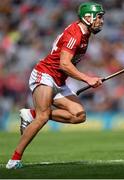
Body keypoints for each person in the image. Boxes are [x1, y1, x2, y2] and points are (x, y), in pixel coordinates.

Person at [6, 2, 105, 169]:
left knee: (79, 115)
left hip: (59, 81)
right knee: (43, 117)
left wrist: (88, 79)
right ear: (88, 17)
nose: (101, 21)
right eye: (99, 17)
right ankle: (14, 160)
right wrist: (87, 79)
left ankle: (30, 113)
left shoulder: (85, 33)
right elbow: (64, 65)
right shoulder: (75, 34)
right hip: (45, 74)